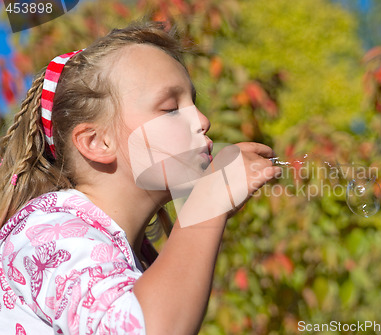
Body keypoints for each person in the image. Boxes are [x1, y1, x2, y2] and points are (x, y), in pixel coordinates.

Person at [0, 21, 281, 334]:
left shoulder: (133, 256)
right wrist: (207, 205)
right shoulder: (48, 232)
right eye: (171, 108)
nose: (203, 121)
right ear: (97, 142)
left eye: (194, 104)